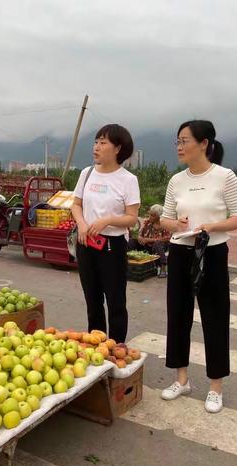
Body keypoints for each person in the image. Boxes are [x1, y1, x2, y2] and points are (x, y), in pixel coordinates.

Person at [160, 120, 237, 413]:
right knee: (178, 314)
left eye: (184, 141)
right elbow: (165, 219)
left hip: (211, 252)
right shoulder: (176, 180)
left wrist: (211, 226)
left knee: (215, 316)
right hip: (181, 250)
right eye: (178, 141)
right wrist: (177, 224)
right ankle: (181, 379)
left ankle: (215, 386)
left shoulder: (224, 177)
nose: (180, 147)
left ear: (204, 144)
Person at [72, 124, 140, 343]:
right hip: (86, 243)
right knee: (92, 300)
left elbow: (132, 218)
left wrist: (108, 220)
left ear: (118, 148)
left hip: (113, 246)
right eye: (96, 141)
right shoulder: (87, 173)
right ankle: (97, 346)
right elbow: (76, 204)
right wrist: (82, 223)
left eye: (103, 142)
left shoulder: (128, 180)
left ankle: (117, 348)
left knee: (115, 302)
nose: (97, 147)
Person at [128, 204, 171, 277]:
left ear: (158, 216)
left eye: (152, 215)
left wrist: (150, 240)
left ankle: (163, 268)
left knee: (157, 243)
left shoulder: (165, 223)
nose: (150, 217)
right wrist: (139, 238)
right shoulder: (147, 222)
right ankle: (130, 264)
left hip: (160, 247)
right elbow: (140, 234)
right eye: (150, 215)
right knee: (131, 241)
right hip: (146, 245)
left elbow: (168, 237)